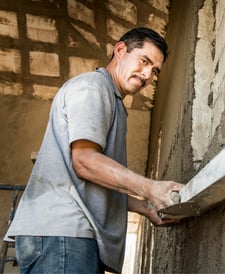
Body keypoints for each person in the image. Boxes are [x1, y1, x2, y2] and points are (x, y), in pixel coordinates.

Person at [5, 27, 184, 273]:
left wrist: (146, 208)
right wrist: (151, 188)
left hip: (69, 234)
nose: (147, 75)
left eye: (155, 71)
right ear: (120, 50)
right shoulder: (94, 87)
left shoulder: (114, 101)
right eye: (144, 61)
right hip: (64, 232)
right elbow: (85, 162)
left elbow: (96, 181)